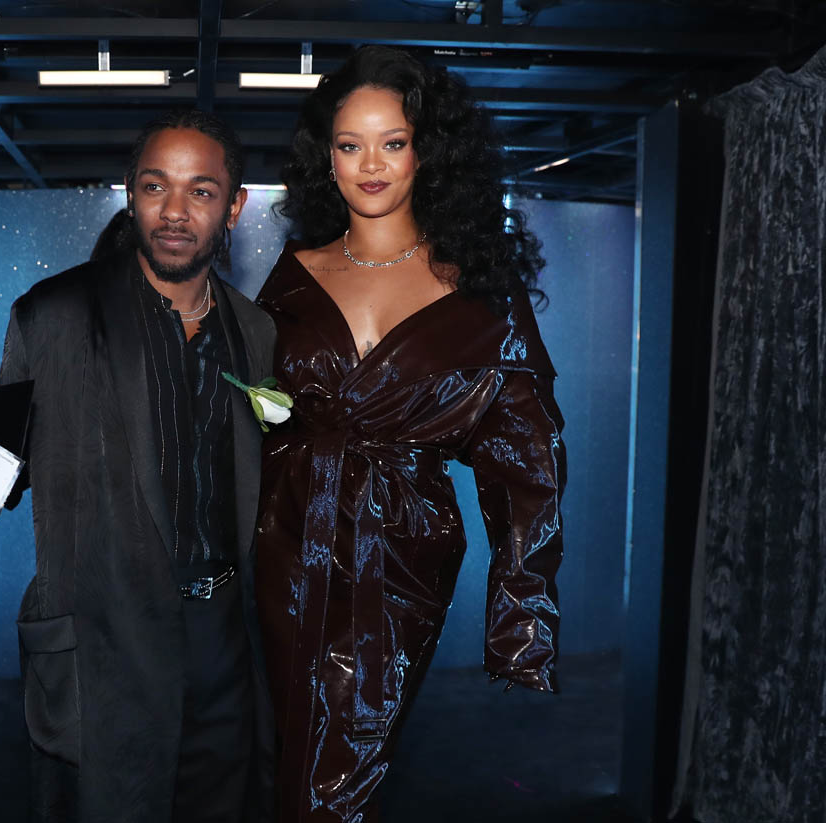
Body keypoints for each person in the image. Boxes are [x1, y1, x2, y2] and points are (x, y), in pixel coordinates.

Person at [0, 111, 276, 823]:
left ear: (234, 206)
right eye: (155, 186)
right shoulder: (52, 314)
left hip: (226, 644)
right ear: (130, 192)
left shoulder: (257, 331)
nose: (175, 211)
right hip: (103, 645)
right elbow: (2, 464)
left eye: (201, 191)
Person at [253, 45, 566, 821]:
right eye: (349, 144)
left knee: (345, 763)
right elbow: (252, 404)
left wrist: (522, 614)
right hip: (281, 539)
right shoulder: (292, 272)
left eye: (392, 142)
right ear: (325, 157)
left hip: (397, 553)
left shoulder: (480, 293)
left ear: (427, 151)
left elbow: (529, 463)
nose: (370, 164)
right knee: (278, 752)